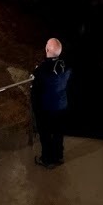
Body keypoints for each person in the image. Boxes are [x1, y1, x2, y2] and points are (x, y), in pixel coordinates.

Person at [31, 38, 71, 168]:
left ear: (47, 49)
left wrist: (35, 107)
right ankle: (58, 156)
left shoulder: (41, 70)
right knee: (59, 133)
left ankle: (47, 159)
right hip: (61, 105)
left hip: (46, 108)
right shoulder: (66, 66)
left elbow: (35, 92)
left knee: (46, 134)